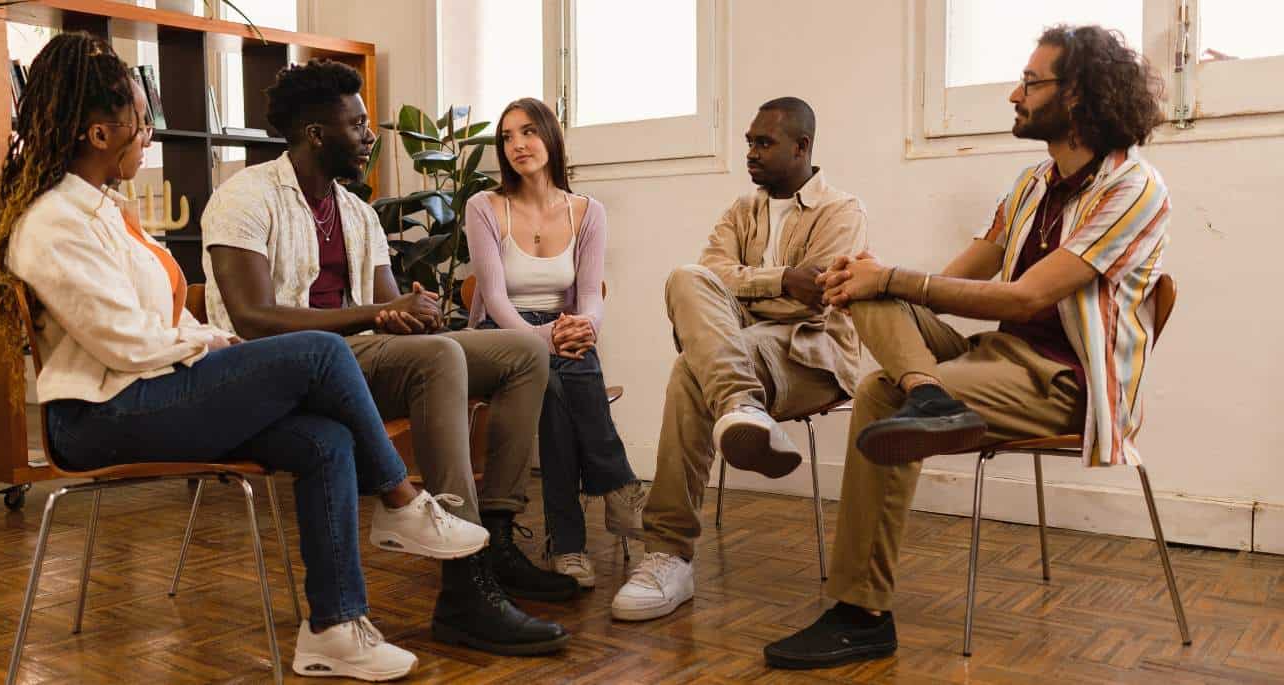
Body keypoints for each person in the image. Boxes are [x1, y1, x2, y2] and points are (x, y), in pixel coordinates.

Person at [0, 34, 493, 681]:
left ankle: (334, 629)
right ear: (100, 133)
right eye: (141, 121)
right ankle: (400, 502)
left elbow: (162, 319)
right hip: (99, 414)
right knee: (321, 352)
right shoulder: (54, 223)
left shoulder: (107, 211)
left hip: (149, 389)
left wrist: (207, 340)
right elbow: (122, 341)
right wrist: (212, 341)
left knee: (325, 438)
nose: (149, 134)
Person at [769, 25, 1171, 670]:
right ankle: (929, 396)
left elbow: (1025, 299)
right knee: (870, 286)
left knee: (877, 390)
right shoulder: (1032, 183)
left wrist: (894, 279)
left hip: (1064, 384)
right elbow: (950, 284)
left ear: (1077, 95)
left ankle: (861, 615)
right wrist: (870, 279)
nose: (1015, 94)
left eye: (1031, 83)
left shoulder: (1133, 189)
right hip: (995, 360)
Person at [201, 59, 575, 656]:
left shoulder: (355, 212)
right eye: (357, 124)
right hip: (276, 371)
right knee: (437, 359)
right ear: (316, 133)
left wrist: (411, 313)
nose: (369, 135)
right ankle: (465, 586)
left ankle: (495, 536)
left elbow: (384, 309)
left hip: (358, 359)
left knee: (523, 352)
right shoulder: (244, 197)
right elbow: (252, 317)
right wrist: (379, 315)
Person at [609, 98, 869, 621]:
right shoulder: (741, 210)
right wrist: (781, 280)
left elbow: (814, 301)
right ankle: (740, 406)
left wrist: (745, 296)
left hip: (811, 357)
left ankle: (670, 553)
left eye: (764, 143)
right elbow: (709, 275)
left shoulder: (841, 211)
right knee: (685, 278)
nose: (750, 152)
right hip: (746, 351)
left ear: (802, 147)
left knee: (693, 366)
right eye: (749, 141)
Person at [462, 98, 647, 589]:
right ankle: (615, 488)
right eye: (507, 137)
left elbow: (590, 296)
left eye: (528, 132)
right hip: (500, 335)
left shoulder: (588, 212)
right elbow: (495, 300)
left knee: (558, 389)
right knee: (557, 367)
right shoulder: (484, 207)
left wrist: (585, 327)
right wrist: (544, 337)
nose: (517, 144)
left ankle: (568, 547)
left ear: (550, 136)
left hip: (561, 333)